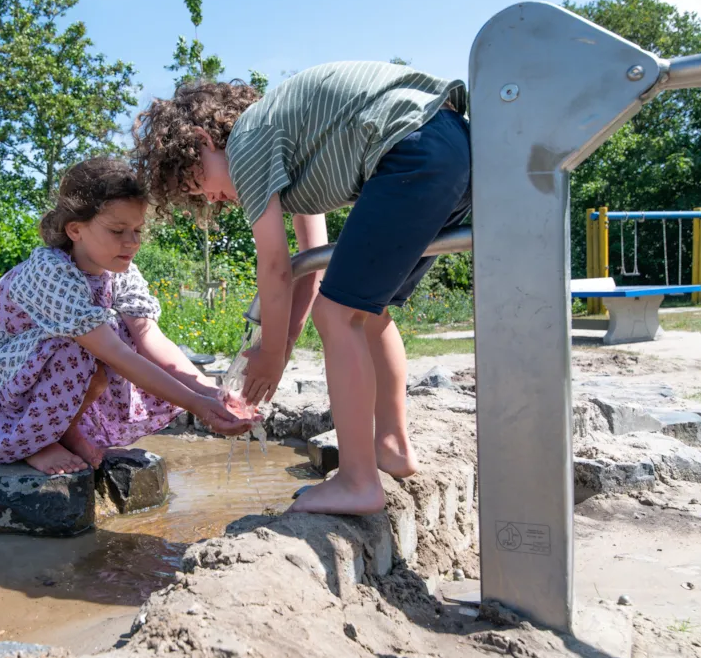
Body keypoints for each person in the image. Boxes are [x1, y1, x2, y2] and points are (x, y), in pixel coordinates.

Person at [131, 61, 470, 515]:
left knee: (339, 314)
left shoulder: (249, 141)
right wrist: (279, 350)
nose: (211, 199)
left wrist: (270, 355)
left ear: (203, 142)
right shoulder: (288, 143)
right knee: (367, 310)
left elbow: (274, 266)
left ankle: (356, 481)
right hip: (451, 151)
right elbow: (310, 266)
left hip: (414, 147)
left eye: (199, 183)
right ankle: (391, 445)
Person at [0, 157, 255, 476]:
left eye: (137, 230)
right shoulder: (51, 272)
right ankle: (35, 444)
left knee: (119, 334)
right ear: (75, 229)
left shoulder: (120, 271)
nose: (131, 242)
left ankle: (67, 431)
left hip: (33, 368)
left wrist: (210, 391)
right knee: (82, 346)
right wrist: (197, 406)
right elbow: (115, 354)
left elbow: (149, 337)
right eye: (118, 230)